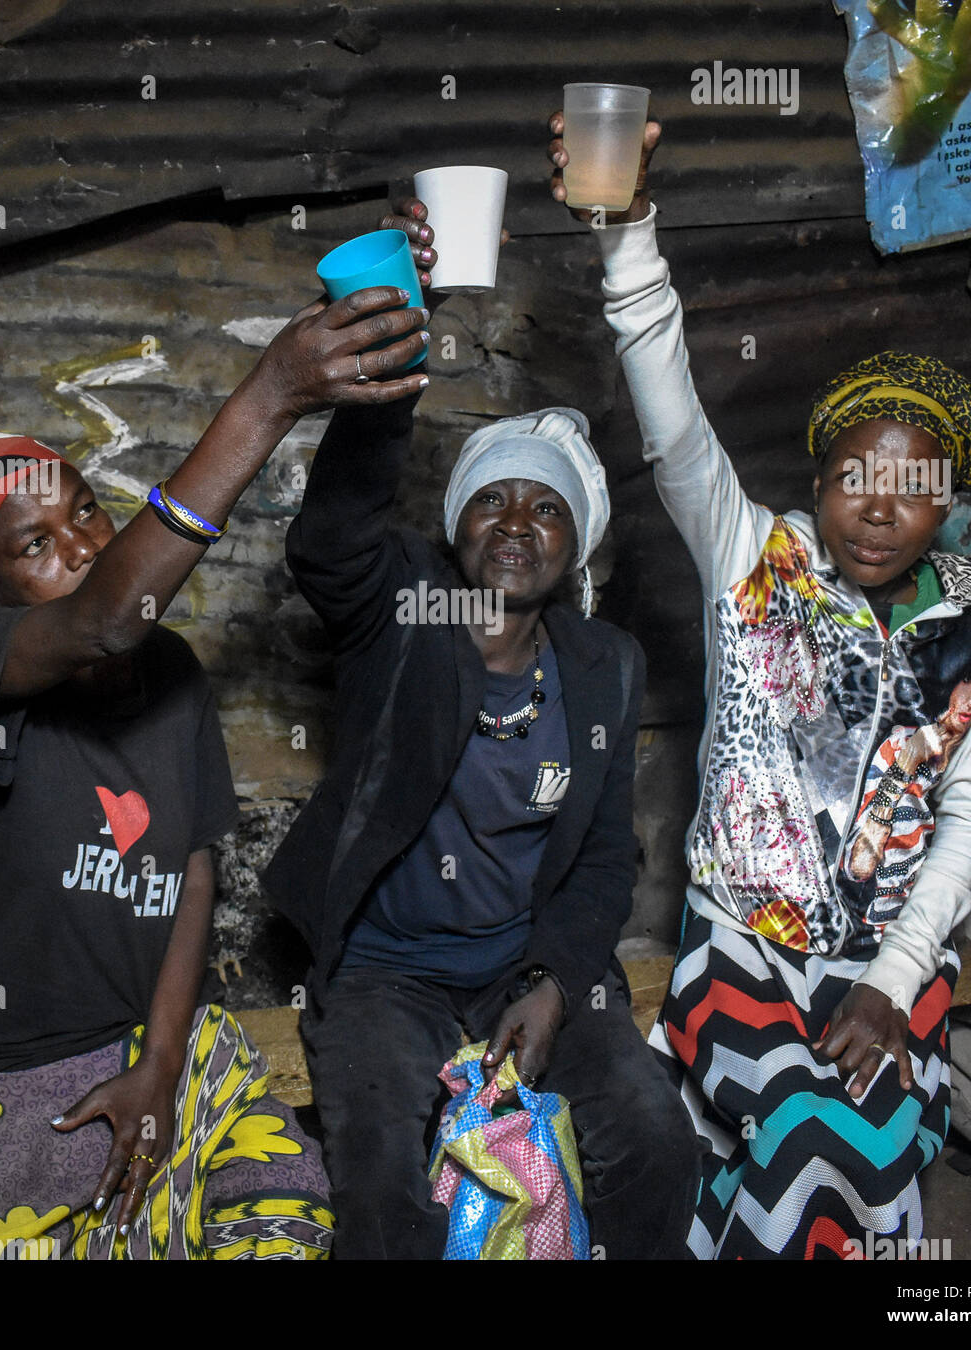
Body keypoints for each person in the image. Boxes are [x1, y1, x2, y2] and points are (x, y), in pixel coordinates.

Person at [0, 289, 431, 1259]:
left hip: (161, 1045)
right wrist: (268, 395)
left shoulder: (172, 676)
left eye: (85, 511)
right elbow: (104, 615)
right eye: (36, 544)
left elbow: (190, 868)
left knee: (291, 1221)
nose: (83, 545)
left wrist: (164, 1065)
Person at [548, 114, 971, 1259]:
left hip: (888, 953)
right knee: (805, 1141)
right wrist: (627, 237)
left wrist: (894, 981)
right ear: (822, 480)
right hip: (743, 942)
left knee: (878, 1141)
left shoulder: (970, 619)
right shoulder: (755, 558)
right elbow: (673, 421)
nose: (881, 508)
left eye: (913, 486)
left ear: (946, 505)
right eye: (860, 477)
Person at [260, 200, 701, 1260]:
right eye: (491, 502)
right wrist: (398, 341)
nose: (516, 523)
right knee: (382, 1175)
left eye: (544, 508)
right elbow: (329, 541)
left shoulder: (602, 666)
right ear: (454, 529)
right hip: (385, 973)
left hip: (523, 963)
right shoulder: (403, 608)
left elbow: (603, 862)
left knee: (656, 1139)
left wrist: (554, 986)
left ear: (576, 545)